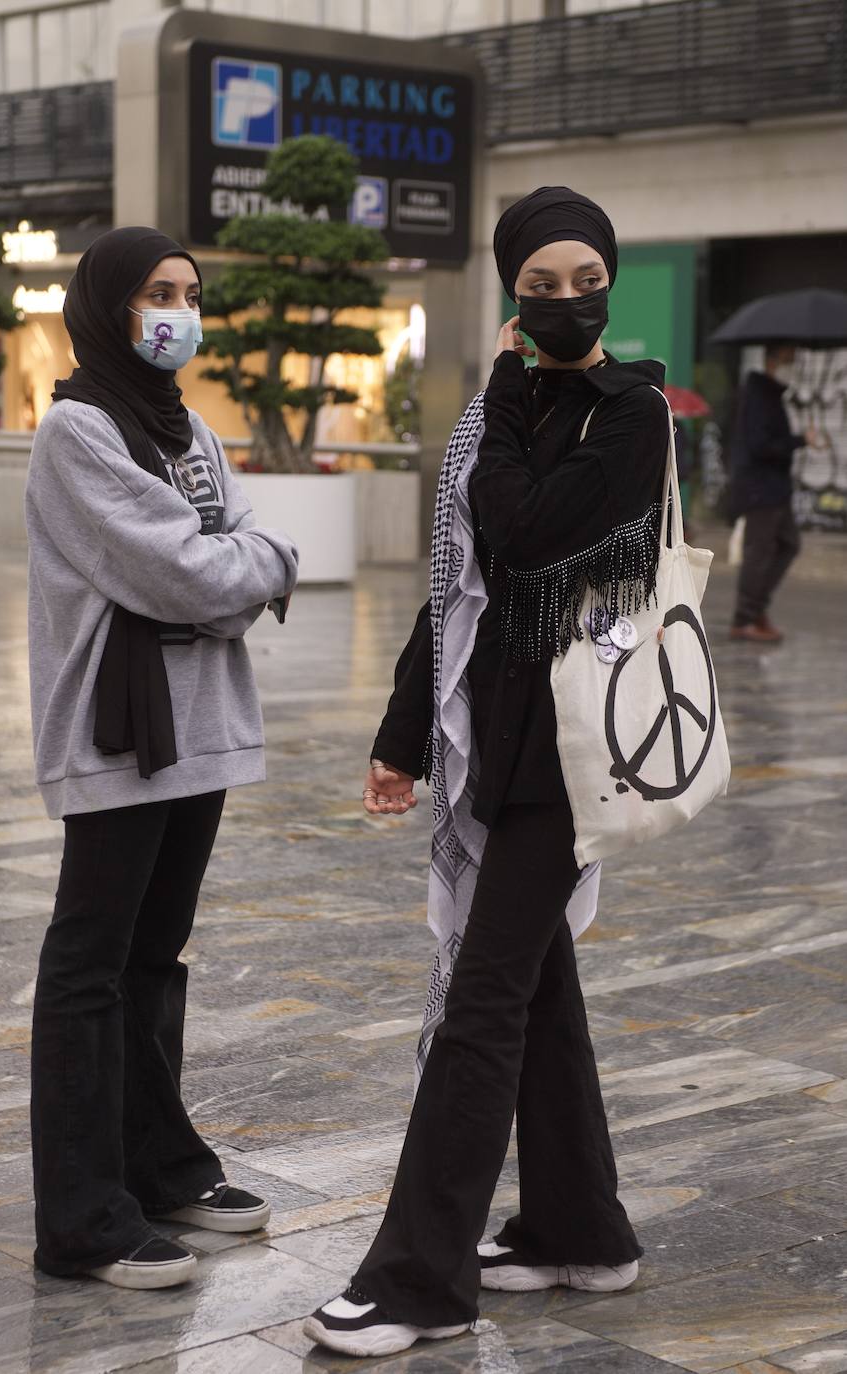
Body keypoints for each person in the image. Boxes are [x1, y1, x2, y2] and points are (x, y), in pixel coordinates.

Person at [304, 187, 669, 1358]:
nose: (566, 303)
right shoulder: (488, 417)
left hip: (572, 749)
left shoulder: (633, 412)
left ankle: (420, 1279)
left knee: (482, 1007)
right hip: (493, 743)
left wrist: (512, 396)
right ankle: (581, 1232)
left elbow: (526, 531)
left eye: (584, 281)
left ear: (609, 283)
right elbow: (455, 592)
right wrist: (402, 739)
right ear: (510, 295)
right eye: (539, 286)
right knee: (535, 986)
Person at [25, 227, 299, 1290]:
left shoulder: (188, 427)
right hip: (118, 730)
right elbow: (192, 570)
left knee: (154, 958)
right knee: (89, 966)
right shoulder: (79, 431)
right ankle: (82, 1219)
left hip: (201, 726)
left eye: (188, 291)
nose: (176, 309)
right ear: (106, 305)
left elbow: (223, 554)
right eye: (154, 292)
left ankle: (160, 1170)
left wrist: (239, 563)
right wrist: (251, 565)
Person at [729, 344, 818, 642]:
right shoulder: (758, 395)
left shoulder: (770, 394)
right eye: (789, 360)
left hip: (775, 487)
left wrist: (798, 440)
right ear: (772, 361)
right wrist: (798, 441)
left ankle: (755, 610)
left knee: (788, 544)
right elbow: (760, 445)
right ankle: (744, 618)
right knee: (760, 552)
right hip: (760, 489)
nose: (793, 367)